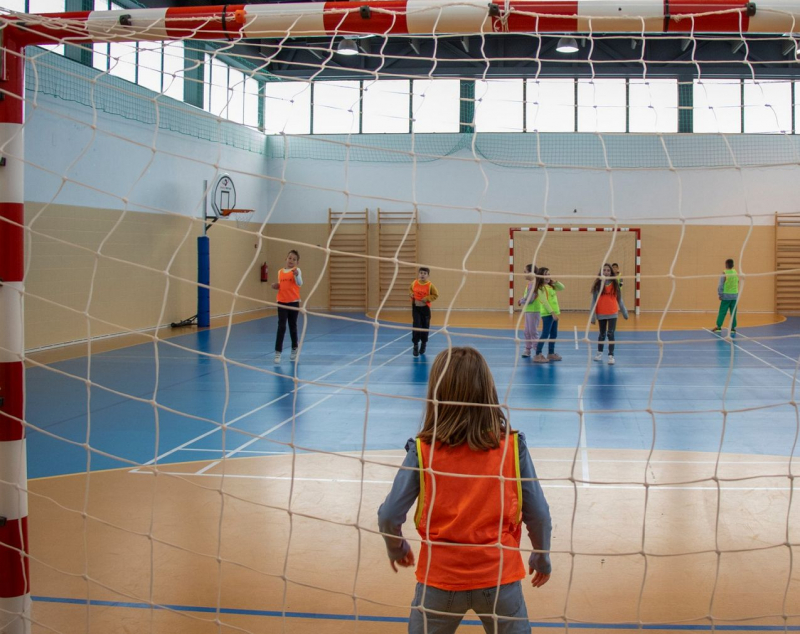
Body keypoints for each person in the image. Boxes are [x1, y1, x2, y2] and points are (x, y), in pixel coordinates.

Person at [377, 347, 552, 634]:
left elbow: (388, 515)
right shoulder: (512, 446)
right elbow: (539, 514)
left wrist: (397, 549)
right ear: (488, 391)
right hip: (499, 578)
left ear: (437, 393)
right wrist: (541, 555)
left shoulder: (422, 450)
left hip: (439, 580)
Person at [590, 263, 629, 366]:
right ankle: (599, 353)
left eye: (608, 270)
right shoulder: (598, 285)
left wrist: (624, 312)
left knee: (610, 334)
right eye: (604, 270)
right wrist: (592, 316)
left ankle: (611, 355)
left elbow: (619, 299)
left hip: (612, 313)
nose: (606, 272)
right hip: (601, 313)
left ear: (611, 272)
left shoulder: (615, 284)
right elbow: (593, 301)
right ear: (601, 272)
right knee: (602, 334)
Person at [271, 250, 303, 363]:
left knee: (292, 326)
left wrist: (297, 275)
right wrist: (276, 286)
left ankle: (294, 348)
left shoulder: (296, 271)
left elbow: (299, 283)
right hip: (282, 302)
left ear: (297, 262)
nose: (291, 260)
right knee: (281, 327)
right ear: (286, 259)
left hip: (293, 302)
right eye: (290, 258)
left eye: (294, 259)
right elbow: (283, 285)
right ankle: (278, 352)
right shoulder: (280, 272)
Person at [533, 268, 565, 364]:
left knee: (554, 334)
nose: (548, 276)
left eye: (549, 274)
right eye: (545, 274)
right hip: (548, 314)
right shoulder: (540, 288)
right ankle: (538, 354)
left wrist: (554, 281)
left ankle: (551, 353)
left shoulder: (551, 286)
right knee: (545, 334)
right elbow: (545, 302)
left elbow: (562, 287)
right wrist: (552, 313)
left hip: (554, 313)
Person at [409, 267, 439, 357]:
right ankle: (415, 345)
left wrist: (427, 298)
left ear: (428, 275)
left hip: (425, 308)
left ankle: (423, 344)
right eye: (421, 273)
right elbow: (410, 290)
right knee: (416, 326)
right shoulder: (414, 283)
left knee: (425, 327)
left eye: (424, 273)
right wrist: (411, 294)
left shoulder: (430, 285)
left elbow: (435, 295)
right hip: (416, 308)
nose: (422, 275)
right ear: (418, 274)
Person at [518, 264, 541, 359]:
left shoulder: (534, 284)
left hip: (534, 311)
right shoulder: (530, 284)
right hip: (528, 310)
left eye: (525, 272)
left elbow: (530, 299)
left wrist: (521, 301)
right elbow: (528, 297)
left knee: (532, 331)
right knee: (527, 331)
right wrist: (522, 299)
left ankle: (537, 351)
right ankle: (528, 349)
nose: (524, 274)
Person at [713, 258, 739, 334]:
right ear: (733, 265)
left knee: (722, 312)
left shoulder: (724, 273)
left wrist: (720, 294)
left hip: (726, 296)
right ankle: (733, 328)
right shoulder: (735, 272)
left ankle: (718, 327)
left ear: (726, 264)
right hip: (734, 296)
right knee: (733, 312)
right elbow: (737, 282)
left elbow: (720, 285)